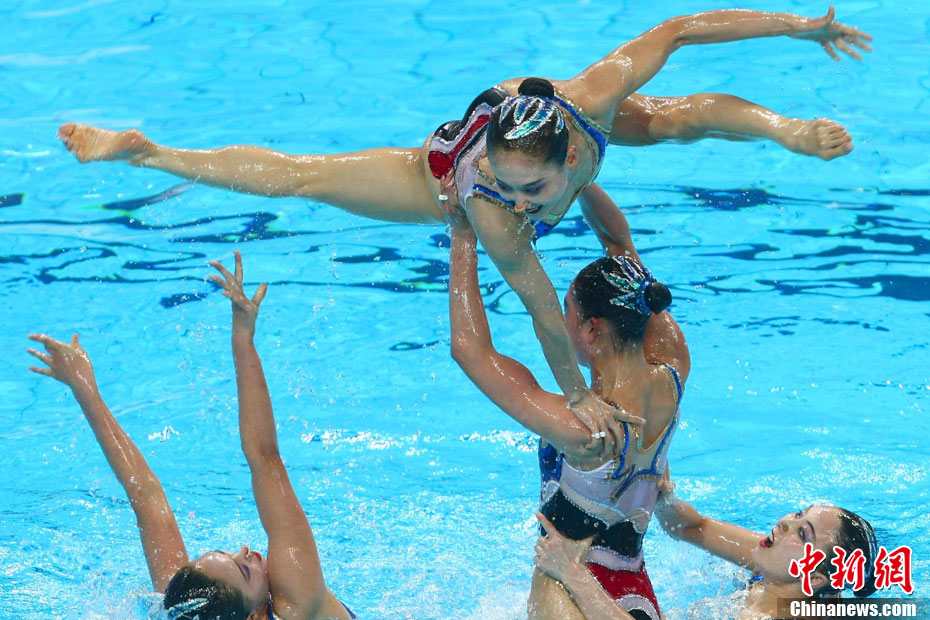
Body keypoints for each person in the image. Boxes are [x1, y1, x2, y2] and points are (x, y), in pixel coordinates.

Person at [57, 8, 871, 436]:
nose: (520, 206)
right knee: (305, 179)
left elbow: (681, 29)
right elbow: (546, 313)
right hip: (442, 167)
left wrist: (801, 45)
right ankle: (149, 152)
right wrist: (577, 394)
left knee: (676, 119)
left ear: (568, 157)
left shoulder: (590, 103)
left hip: (538, 108)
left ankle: (786, 132)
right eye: (508, 190)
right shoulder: (489, 206)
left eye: (531, 190)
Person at [27, 251, 356, 620]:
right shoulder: (297, 603)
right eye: (245, 569)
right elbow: (266, 460)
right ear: (254, 616)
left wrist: (83, 386)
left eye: (229, 554)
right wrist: (243, 338)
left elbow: (146, 497)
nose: (246, 550)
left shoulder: (185, 607)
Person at [442, 180, 690, 620]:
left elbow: (470, 350)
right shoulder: (673, 369)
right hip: (637, 594)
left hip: (571, 591)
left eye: (567, 313)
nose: (560, 321)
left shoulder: (585, 431)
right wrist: (577, 177)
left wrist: (462, 233)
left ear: (592, 329)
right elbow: (619, 244)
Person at [533, 484, 880, 620]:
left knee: (555, 579)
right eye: (799, 513)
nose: (786, 522)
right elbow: (693, 528)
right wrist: (659, 490)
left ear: (814, 577)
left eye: (803, 533)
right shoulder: (779, 565)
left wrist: (575, 576)